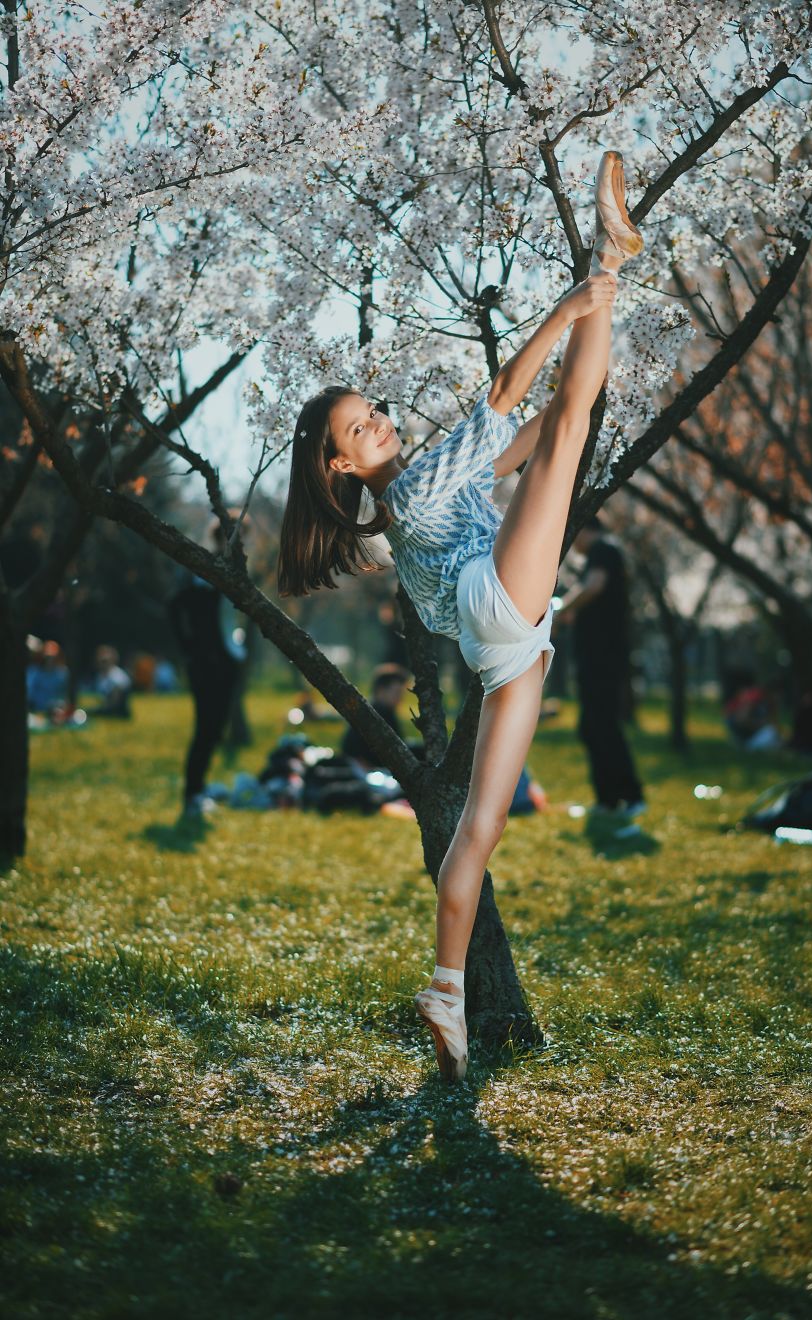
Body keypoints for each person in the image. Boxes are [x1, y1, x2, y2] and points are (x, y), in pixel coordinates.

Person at [278, 151, 643, 1082]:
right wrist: (567, 310)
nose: (380, 426)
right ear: (341, 470)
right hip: (497, 601)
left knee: (481, 829)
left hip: (506, 649)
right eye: (360, 431)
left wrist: (577, 389)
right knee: (565, 422)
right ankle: (609, 260)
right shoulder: (419, 491)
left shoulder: (420, 499)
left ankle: (446, 991)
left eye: (375, 415)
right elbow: (506, 405)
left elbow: (527, 434)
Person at [556, 517, 645, 818]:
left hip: (602, 657)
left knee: (602, 726)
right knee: (593, 727)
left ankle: (629, 796)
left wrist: (561, 611)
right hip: (597, 656)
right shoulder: (605, 552)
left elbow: (594, 586)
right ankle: (608, 799)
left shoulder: (604, 549)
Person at [168, 518, 248, 817]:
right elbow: (175, 607)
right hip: (206, 663)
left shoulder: (236, 570)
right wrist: (189, 649)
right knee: (206, 728)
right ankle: (192, 793)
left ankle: (199, 788)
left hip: (227, 660)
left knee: (215, 729)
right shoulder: (203, 572)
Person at [342, 664, 411, 769]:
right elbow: (350, 749)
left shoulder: (387, 713)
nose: (400, 698)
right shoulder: (370, 714)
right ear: (381, 690)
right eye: (397, 692)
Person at [91, 645, 132, 718]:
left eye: (105, 661)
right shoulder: (99, 676)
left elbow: (115, 702)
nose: (102, 664)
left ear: (113, 660)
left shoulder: (118, 676)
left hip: (117, 714)